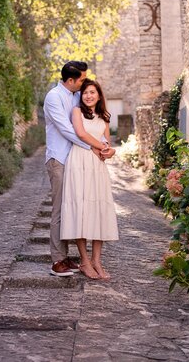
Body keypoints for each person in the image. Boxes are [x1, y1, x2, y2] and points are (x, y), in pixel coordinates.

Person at [44, 61, 115, 277]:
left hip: (78, 161)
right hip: (59, 158)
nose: (85, 84)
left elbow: (93, 122)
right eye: (82, 79)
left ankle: (71, 258)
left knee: (73, 208)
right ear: (71, 80)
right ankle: (57, 260)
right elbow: (68, 130)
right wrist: (94, 147)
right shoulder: (54, 97)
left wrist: (106, 149)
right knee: (59, 209)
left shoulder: (76, 96)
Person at [60, 78, 119, 280]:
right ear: (81, 96)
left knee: (98, 211)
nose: (88, 96)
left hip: (97, 166)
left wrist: (109, 152)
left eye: (92, 92)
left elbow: (108, 144)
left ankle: (96, 260)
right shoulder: (76, 112)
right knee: (81, 209)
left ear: (99, 95)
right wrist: (99, 147)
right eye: (85, 92)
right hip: (78, 162)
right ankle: (84, 261)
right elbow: (81, 134)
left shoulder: (104, 116)